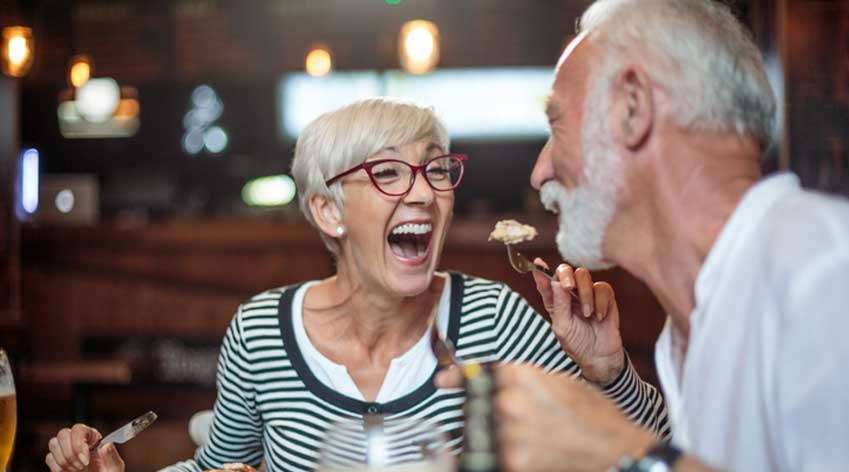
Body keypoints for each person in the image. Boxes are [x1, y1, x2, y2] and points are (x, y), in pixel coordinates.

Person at [44, 98, 668, 472]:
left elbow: (645, 455)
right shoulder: (261, 332)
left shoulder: (493, 320)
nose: (424, 191)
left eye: (435, 169)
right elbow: (221, 467)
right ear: (328, 211)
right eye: (389, 172)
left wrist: (609, 372)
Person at [437, 0, 849, 471]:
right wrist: (613, 382)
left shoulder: (822, 273)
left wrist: (617, 448)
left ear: (633, 108)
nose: (539, 173)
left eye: (557, 125)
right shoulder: (687, 327)